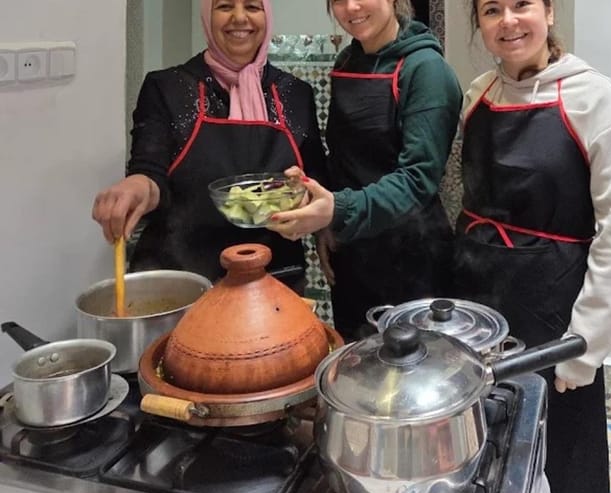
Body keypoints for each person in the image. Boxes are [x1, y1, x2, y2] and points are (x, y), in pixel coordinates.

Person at [455, 1, 611, 493]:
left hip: (554, 316)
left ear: (549, 11)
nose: (509, 21)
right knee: (486, 465)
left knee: (554, 466)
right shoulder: (477, 94)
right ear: (478, 24)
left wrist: (584, 345)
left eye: (522, 5)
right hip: (480, 309)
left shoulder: (597, 101)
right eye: (491, 10)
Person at [92, 0, 326, 288]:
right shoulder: (166, 87)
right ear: (207, 15)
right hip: (182, 279)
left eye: (253, 7)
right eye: (225, 6)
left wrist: (310, 206)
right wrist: (137, 186)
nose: (239, 18)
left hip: (274, 279)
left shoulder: (296, 94)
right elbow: (149, 169)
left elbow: (316, 177)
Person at [268, 0, 461, 340]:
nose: (351, 8)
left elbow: (417, 180)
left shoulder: (426, 70)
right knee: (356, 371)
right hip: (353, 256)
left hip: (412, 259)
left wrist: (337, 210)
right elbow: (343, 156)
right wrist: (326, 226)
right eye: (338, 0)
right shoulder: (347, 60)